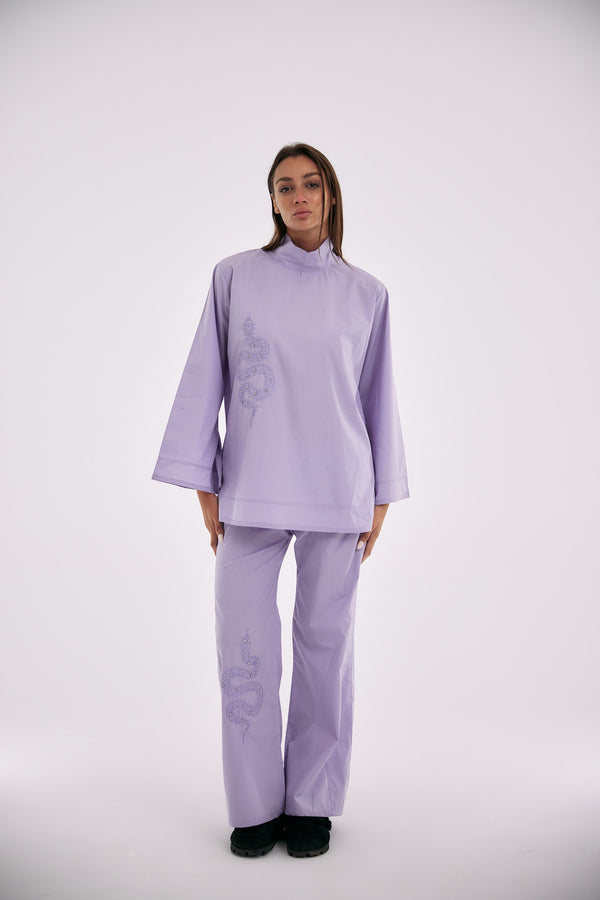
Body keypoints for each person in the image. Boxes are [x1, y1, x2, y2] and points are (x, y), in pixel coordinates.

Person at [151, 142, 409, 858]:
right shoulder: (235, 277)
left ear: (331, 194)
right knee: (245, 653)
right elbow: (205, 377)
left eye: (311, 184)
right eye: (285, 186)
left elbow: (379, 399)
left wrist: (381, 497)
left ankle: (311, 804)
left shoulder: (367, 294)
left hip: (338, 490)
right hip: (251, 491)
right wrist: (205, 486)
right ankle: (255, 807)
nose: (299, 196)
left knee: (327, 651)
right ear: (271, 200)